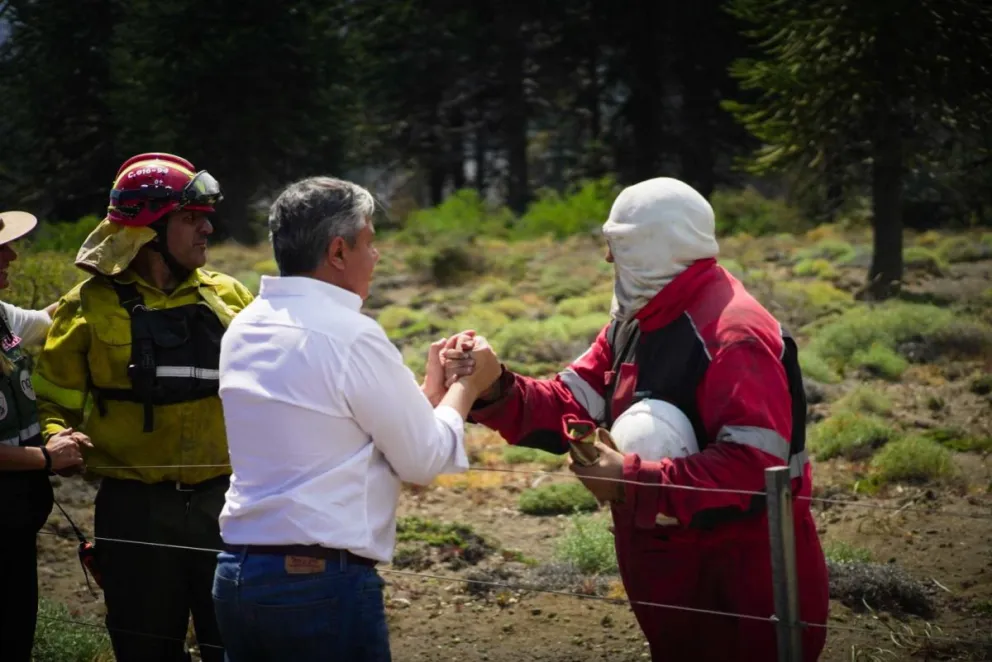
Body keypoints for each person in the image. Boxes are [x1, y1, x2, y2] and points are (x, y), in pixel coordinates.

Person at [444, 177, 830, 662]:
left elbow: (755, 469)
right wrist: (496, 386)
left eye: (619, 244)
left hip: (745, 584)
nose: (608, 258)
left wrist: (630, 478)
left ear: (660, 245)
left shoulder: (735, 335)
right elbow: (570, 402)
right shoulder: (636, 322)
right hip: (675, 572)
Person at [212, 176, 501, 662]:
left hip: (240, 575)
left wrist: (429, 393)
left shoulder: (246, 325)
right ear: (338, 251)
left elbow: (331, 428)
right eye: (369, 242)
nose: (377, 255)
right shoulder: (350, 334)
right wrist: (468, 387)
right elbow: (423, 461)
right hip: (320, 584)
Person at [32, 154, 255, 662]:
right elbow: (51, 398)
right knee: (144, 649)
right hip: (135, 514)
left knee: (238, 646)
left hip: (228, 505)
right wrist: (55, 434)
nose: (207, 228)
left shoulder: (230, 297)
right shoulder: (86, 306)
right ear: (148, 232)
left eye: (205, 216)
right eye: (191, 217)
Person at [0, 210, 90, 661]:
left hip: (15, 519)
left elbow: (48, 318)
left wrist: (101, 275)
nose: (11, 257)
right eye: (0, 250)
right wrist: (48, 458)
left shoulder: (2, 316)